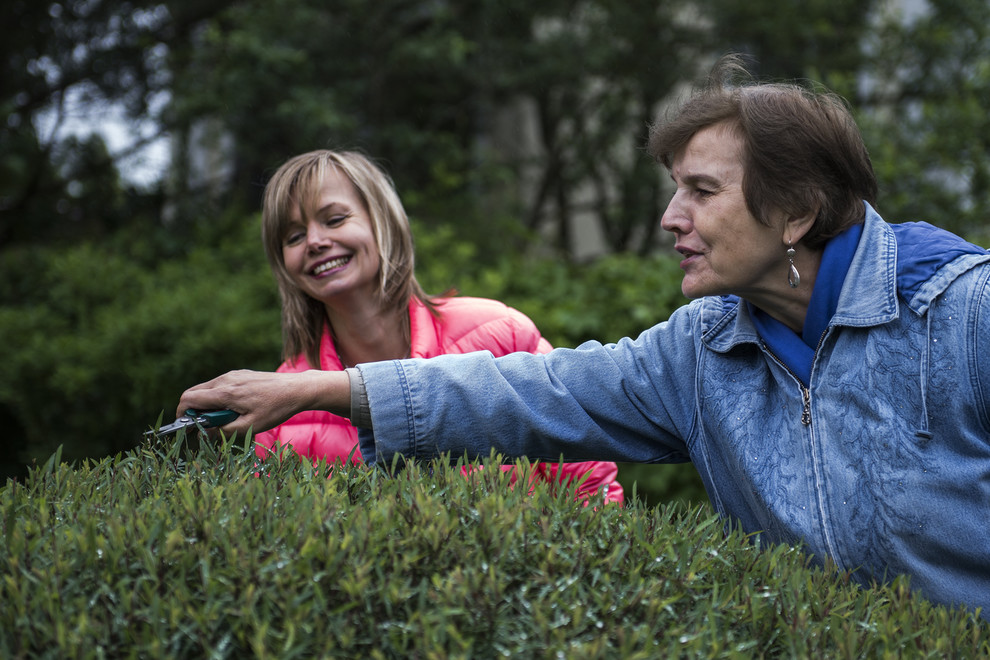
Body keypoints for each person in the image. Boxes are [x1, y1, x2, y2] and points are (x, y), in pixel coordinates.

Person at [179, 58, 990, 617]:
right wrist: (312, 390)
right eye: (675, 191)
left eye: (701, 192)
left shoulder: (965, 315)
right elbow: (528, 391)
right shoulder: (698, 352)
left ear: (798, 211)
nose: (671, 219)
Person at [238, 148, 622, 503]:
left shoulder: (502, 335)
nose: (316, 241)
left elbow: (591, 489)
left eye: (335, 219)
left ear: (383, 222)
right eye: (294, 236)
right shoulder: (284, 400)